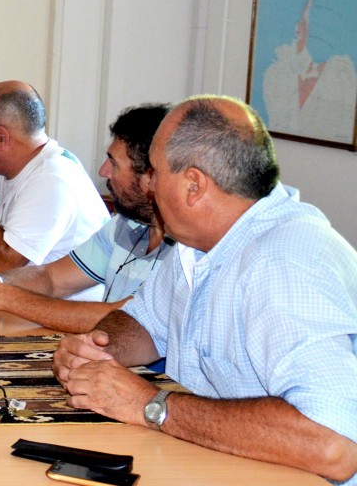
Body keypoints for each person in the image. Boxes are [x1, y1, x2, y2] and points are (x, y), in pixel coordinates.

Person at [54, 96, 357, 484]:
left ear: (194, 185)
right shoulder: (197, 245)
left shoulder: (283, 264)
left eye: (156, 173)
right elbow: (144, 321)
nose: (149, 187)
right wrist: (98, 348)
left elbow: (334, 443)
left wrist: (150, 405)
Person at [0, 103, 179, 331]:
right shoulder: (126, 225)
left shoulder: (189, 247)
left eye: (113, 164)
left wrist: (0, 296)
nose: (103, 171)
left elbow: (127, 318)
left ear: (152, 175)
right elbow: (51, 278)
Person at [0, 81, 107, 300]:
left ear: (1, 137)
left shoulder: (53, 178)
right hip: (19, 304)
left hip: (64, 321)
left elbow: (5, 265)